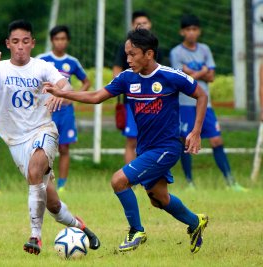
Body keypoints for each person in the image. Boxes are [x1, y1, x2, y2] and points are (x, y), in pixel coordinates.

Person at [45, 28, 209, 254]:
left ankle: (136, 231)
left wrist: (196, 131)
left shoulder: (171, 76)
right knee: (159, 199)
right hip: (145, 148)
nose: (128, 59)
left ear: (149, 54)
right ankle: (195, 222)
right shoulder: (126, 78)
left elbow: (201, 95)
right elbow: (95, 96)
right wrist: (63, 93)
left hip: (167, 148)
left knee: (118, 181)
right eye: (126, 54)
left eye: (133, 54)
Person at [0, 19, 100, 255]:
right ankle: (81, 227)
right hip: (15, 141)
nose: (20, 46)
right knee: (52, 203)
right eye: (15, 42)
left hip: (44, 130)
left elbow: (65, 82)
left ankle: (35, 236)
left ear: (32, 43)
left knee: (34, 172)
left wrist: (62, 92)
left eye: (24, 41)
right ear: (8, 44)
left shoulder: (42, 67)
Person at [170, 14, 247, 191]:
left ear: (199, 31)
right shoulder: (176, 52)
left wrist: (192, 73)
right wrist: (201, 71)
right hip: (186, 104)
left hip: (205, 104)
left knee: (216, 140)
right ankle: (190, 183)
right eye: (188, 29)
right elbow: (181, 78)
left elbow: (211, 76)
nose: (191, 33)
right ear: (182, 32)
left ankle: (230, 182)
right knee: (186, 142)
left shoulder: (205, 49)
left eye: (194, 29)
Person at [37, 25, 91, 192]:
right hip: (47, 110)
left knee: (64, 147)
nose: (60, 42)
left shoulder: (72, 62)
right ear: (52, 41)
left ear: (67, 41)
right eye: (57, 39)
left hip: (66, 111)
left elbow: (86, 82)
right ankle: (43, 181)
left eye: (63, 39)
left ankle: (62, 185)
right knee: (43, 148)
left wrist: (73, 96)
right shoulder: (42, 59)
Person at [112, 11, 164, 165]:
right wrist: (125, 84)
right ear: (132, 26)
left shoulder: (155, 49)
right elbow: (116, 71)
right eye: (138, 23)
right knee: (132, 141)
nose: (142, 26)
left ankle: (150, 176)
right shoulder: (126, 47)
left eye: (145, 23)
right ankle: (130, 178)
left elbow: (162, 75)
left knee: (153, 141)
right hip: (133, 103)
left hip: (155, 103)